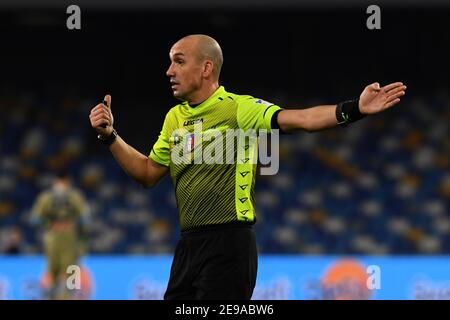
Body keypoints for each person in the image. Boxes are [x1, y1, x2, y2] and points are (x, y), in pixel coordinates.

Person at [89, 34, 406, 300]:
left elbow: (303, 120)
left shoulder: (239, 108)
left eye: (179, 61)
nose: (169, 70)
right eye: (171, 61)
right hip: (187, 246)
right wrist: (110, 136)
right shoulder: (175, 118)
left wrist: (355, 109)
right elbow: (147, 173)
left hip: (229, 245)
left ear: (206, 68)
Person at [31, 170, 90, 300]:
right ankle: (53, 295)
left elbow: (85, 218)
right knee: (56, 268)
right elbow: (35, 218)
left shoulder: (72, 197)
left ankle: (69, 296)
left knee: (70, 268)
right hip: (59, 235)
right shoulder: (50, 197)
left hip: (65, 236)